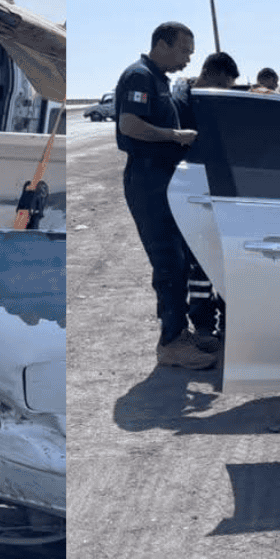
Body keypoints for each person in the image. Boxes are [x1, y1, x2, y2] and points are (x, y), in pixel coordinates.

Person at [116, 22, 218, 370]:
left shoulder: (159, 79)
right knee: (168, 262)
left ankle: (178, 334)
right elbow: (128, 124)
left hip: (163, 178)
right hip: (148, 178)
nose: (189, 58)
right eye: (184, 51)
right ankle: (171, 343)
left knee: (176, 258)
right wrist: (176, 136)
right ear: (162, 44)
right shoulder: (139, 76)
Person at [170, 51, 239, 348]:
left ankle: (227, 324)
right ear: (210, 73)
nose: (226, 93)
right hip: (194, 192)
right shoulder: (182, 103)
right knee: (199, 265)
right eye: (224, 84)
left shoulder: (206, 100)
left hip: (223, 191)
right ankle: (203, 326)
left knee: (225, 262)